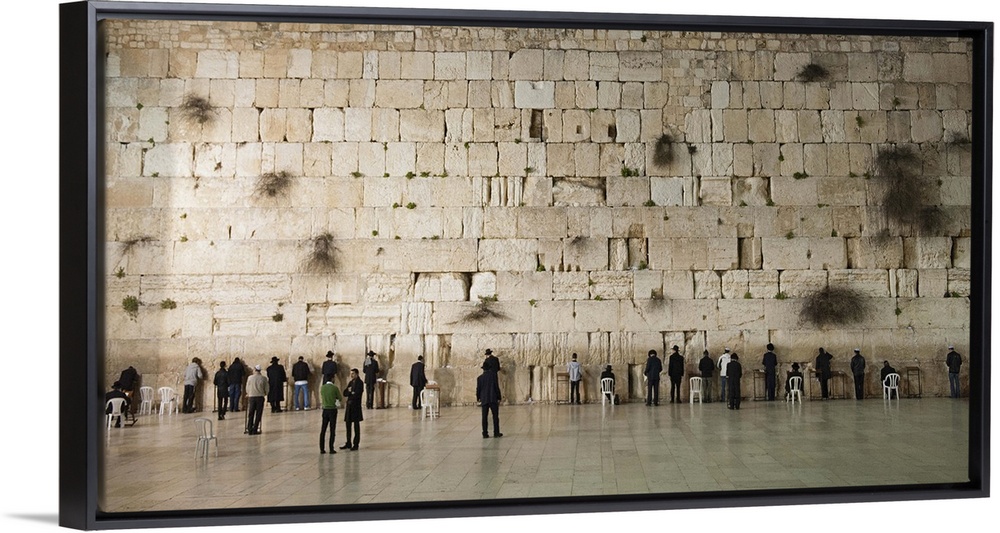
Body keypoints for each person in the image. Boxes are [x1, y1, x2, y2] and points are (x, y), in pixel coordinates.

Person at [319, 374, 343, 454]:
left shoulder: (323, 387)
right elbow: (340, 398)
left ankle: (322, 448)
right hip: (332, 410)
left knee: (323, 430)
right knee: (332, 430)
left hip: (325, 409)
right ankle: (331, 448)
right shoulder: (335, 388)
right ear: (332, 379)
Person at [341, 369, 364, 450]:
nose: (352, 375)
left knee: (356, 426)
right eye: (351, 374)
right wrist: (350, 392)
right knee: (348, 425)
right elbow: (345, 393)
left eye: (353, 373)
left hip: (356, 406)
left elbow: (357, 394)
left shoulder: (360, 383)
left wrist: (350, 393)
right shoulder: (351, 382)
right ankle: (348, 442)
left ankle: (356, 444)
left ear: (357, 374)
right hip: (349, 406)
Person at [477, 364, 502, 438]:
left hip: (484, 399)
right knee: (495, 416)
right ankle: (496, 432)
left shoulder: (480, 378)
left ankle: (485, 433)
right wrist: (499, 397)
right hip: (493, 398)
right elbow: (496, 387)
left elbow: (478, 389)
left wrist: (478, 398)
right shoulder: (493, 377)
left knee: (484, 417)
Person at [245, 365, 268, 435]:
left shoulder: (250, 378)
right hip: (260, 397)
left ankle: (249, 428)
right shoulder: (264, 378)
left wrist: (248, 393)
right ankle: (255, 429)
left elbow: (247, 388)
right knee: (258, 413)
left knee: (251, 413)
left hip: (252, 397)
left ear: (254, 369)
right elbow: (267, 389)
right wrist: (264, 393)